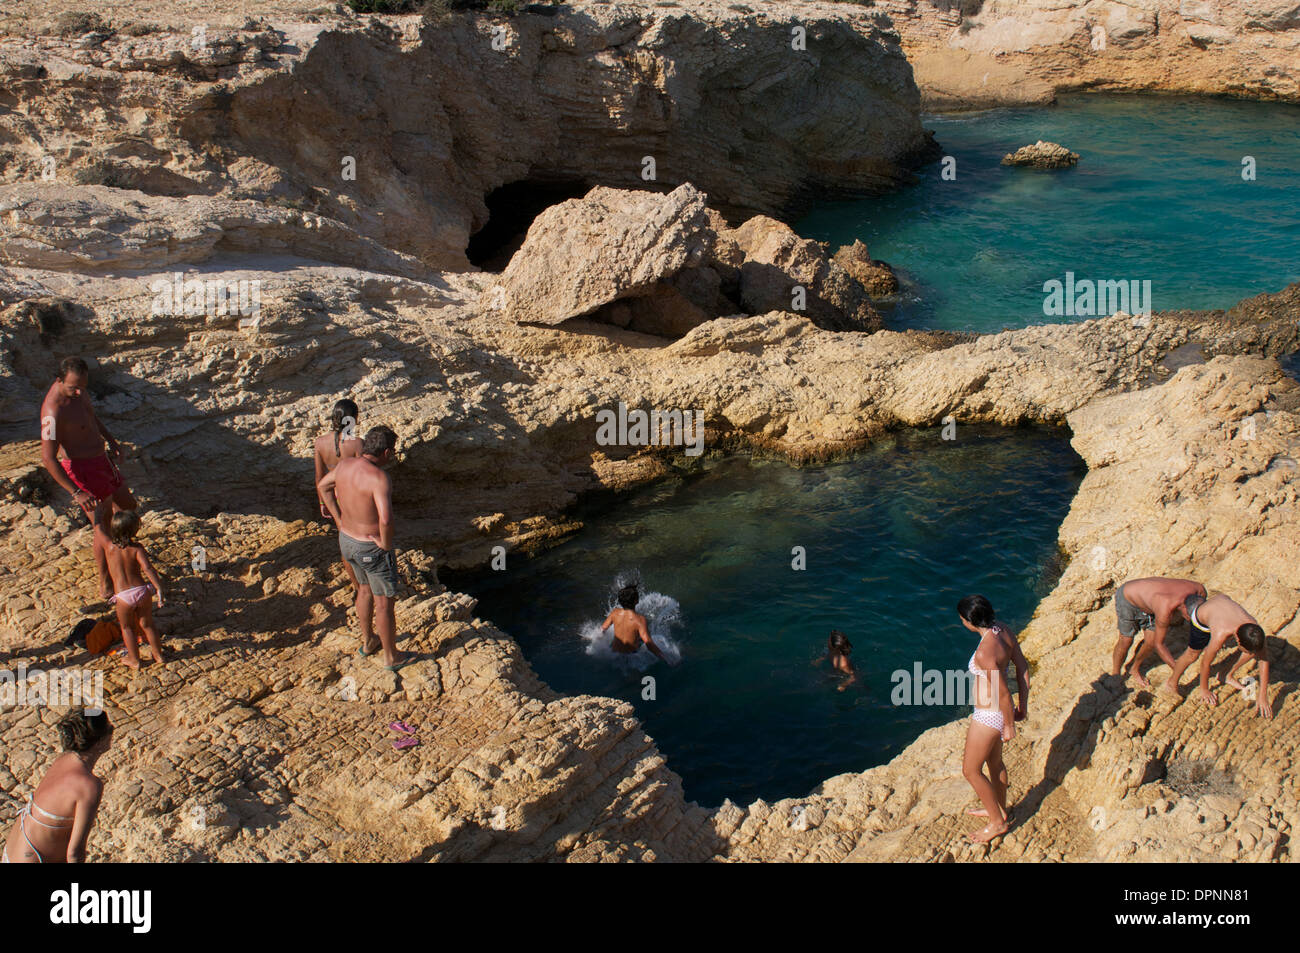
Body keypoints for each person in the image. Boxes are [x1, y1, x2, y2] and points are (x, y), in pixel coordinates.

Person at [317, 426, 407, 670]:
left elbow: (323, 486)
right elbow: (386, 520)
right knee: (383, 603)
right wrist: (386, 545)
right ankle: (391, 657)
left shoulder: (345, 465)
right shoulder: (378, 478)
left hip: (347, 540)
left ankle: (368, 642)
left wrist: (337, 517)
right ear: (386, 452)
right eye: (393, 452)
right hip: (371, 548)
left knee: (363, 591)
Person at [957, 594, 1030, 844]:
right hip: (997, 713)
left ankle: (997, 823)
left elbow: (1002, 693)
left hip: (988, 715)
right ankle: (998, 810)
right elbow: (1023, 668)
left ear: (969, 621)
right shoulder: (1004, 631)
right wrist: (1024, 706)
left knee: (970, 770)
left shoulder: (984, 653)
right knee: (995, 764)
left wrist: (1009, 725)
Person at [3, 710, 112, 863]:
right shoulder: (88, 786)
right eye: (110, 729)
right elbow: (74, 853)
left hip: (12, 855)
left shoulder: (62, 761)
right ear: (100, 740)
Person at [39, 357, 136, 526]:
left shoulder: (79, 391)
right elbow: (48, 458)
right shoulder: (53, 412)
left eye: (83, 387)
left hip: (102, 460)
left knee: (128, 506)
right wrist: (76, 492)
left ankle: (119, 547)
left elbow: (90, 416)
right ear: (59, 380)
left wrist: (111, 441)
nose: (79, 392)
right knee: (102, 522)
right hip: (83, 468)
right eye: (74, 388)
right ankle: (110, 550)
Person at [1163, 593, 1272, 718]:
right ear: (1237, 640)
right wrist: (1204, 689)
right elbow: (1205, 663)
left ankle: (1226, 675)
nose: (1251, 654)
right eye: (1245, 649)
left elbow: (1264, 659)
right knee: (1192, 655)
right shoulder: (1221, 634)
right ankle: (1172, 682)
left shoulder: (1254, 629)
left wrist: (1263, 696)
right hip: (1202, 616)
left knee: (1254, 651)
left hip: (1222, 604)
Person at [92, 510, 167, 669]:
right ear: (135, 530)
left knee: (127, 628)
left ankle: (134, 660)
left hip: (123, 596)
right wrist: (159, 588)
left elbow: (98, 529)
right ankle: (158, 655)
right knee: (148, 625)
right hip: (141, 590)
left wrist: (96, 513)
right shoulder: (137, 548)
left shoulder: (109, 546)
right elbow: (148, 569)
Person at [1112, 576, 1206, 687]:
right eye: (1190, 617)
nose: (1191, 620)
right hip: (1129, 598)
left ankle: (1134, 668)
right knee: (1126, 640)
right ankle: (1115, 673)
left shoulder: (1200, 590)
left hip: (1151, 600)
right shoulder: (1165, 608)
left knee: (1150, 642)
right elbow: (1159, 644)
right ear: (1183, 608)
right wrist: (1177, 669)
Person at [314, 399, 363, 589]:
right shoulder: (357, 443)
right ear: (354, 418)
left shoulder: (320, 443)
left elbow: (319, 477)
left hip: (333, 498)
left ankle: (357, 586)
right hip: (353, 498)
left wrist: (322, 503)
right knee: (363, 540)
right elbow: (362, 475)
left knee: (345, 541)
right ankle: (367, 585)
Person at [599, 585, 671, 663]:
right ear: (636, 601)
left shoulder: (615, 612)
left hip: (613, 654)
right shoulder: (640, 620)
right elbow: (648, 643)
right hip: (630, 658)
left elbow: (603, 629)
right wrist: (666, 658)